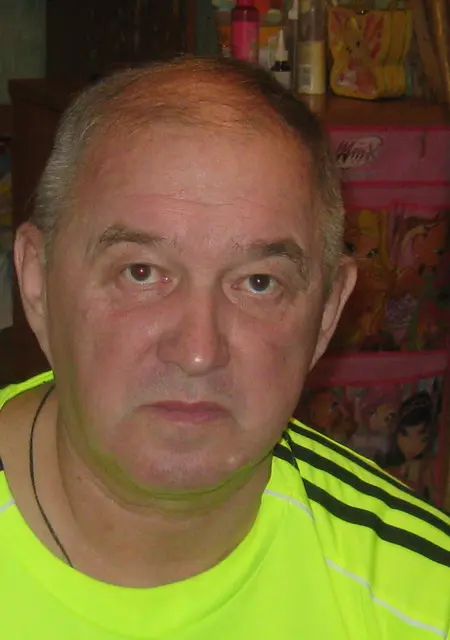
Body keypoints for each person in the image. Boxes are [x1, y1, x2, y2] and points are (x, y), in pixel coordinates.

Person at [0, 57, 448, 638]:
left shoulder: (422, 602)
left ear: (327, 313)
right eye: (141, 272)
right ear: (37, 282)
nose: (197, 351)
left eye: (259, 283)